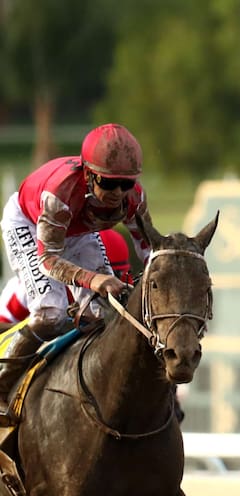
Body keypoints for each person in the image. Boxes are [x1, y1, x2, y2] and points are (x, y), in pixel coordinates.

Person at [0, 123, 153, 421]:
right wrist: (94, 279)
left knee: (102, 315)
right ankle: (3, 383)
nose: (118, 193)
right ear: (88, 175)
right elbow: (49, 259)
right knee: (51, 313)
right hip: (29, 225)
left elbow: (148, 249)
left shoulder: (134, 198)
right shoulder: (60, 193)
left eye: (126, 184)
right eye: (108, 183)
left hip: (76, 231)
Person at [0, 228, 133, 326]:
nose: (106, 283)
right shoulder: (32, 287)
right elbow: (3, 324)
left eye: (112, 275)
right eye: (99, 275)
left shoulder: (121, 281)